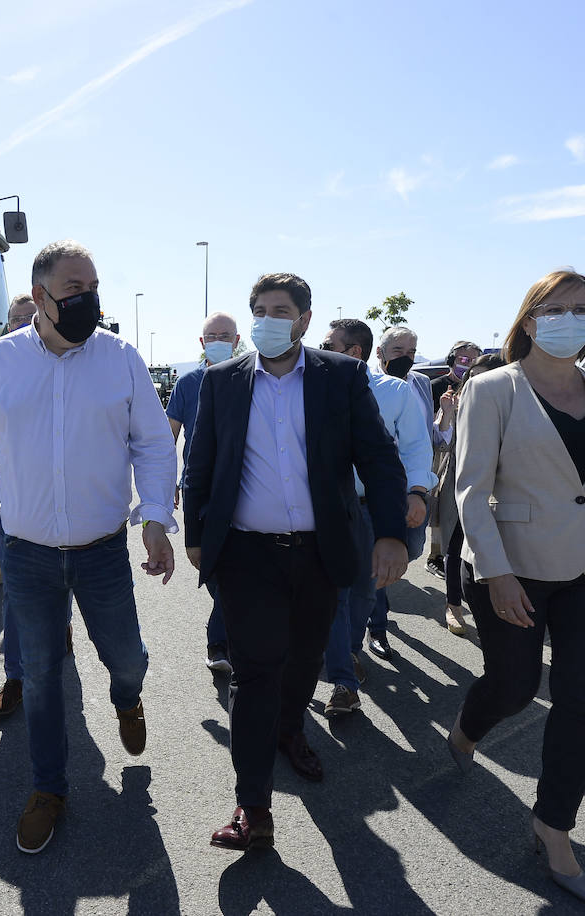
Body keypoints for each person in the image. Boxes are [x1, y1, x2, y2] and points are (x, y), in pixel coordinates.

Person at [0, 241, 177, 855]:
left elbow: (153, 443)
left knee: (126, 656)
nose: (89, 298)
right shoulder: (1, 360)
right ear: (41, 296)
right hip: (28, 553)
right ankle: (50, 788)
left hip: (101, 549)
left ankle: (128, 700)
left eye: (94, 285)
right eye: (75, 287)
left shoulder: (120, 360)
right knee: (42, 676)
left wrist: (155, 517)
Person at [447, 269, 585, 904]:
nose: (570, 318)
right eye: (556, 308)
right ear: (529, 318)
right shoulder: (492, 390)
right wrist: (496, 573)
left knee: (583, 702)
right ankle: (467, 727)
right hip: (515, 569)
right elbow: (471, 491)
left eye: (582, 309)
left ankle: (553, 824)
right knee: (514, 688)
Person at [183, 273, 408, 852]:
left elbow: (379, 460)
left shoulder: (342, 376)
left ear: (304, 319)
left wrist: (391, 535)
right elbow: (201, 462)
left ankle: (288, 733)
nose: (266, 319)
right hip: (247, 555)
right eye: (258, 309)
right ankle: (252, 805)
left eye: (278, 310)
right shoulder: (223, 381)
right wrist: (196, 535)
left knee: (304, 662)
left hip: (318, 553)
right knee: (256, 672)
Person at [320, 318, 434, 715]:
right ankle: (342, 678)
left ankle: (348, 652)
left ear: (353, 352)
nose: (319, 347)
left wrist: (417, 492)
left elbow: (417, 448)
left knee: (364, 592)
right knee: (332, 591)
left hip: (371, 510)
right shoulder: (307, 386)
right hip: (323, 509)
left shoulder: (393, 391)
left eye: (328, 342)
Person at [0, 293, 54, 717]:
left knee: (62, 575)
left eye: (30, 317)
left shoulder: (68, 367)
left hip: (58, 498)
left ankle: (60, 627)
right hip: (9, 497)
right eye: (15, 319)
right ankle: (15, 677)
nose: (22, 325)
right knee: (16, 589)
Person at [356, 326, 442, 661]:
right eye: (398, 351)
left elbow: (425, 437)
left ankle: (376, 606)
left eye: (411, 351)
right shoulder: (363, 385)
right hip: (380, 494)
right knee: (377, 563)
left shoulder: (419, 383)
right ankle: (377, 628)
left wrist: (418, 488)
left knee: (411, 550)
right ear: (380, 352)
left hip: (416, 486)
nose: (405, 357)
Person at [165, 311, 241, 674]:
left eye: (226, 335)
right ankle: (229, 634)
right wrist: (166, 486)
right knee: (212, 567)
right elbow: (169, 438)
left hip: (243, 492)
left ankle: (220, 641)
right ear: (202, 343)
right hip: (200, 491)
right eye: (213, 336)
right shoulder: (188, 383)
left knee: (237, 570)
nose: (220, 341)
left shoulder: (251, 380)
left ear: (238, 341)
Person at [437, 352, 505, 635]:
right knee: (455, 546)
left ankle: (488, 603)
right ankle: (453, 605)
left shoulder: (510, 406)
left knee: (492, 546)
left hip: (500, 489)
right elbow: (441, 441)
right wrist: (448, 414)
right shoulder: (456, 404)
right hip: (458, 481)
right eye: (474, 377)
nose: (479, 384)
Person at [426, 340, 482, 578]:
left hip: (472, 459)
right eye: (463, 360)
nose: (467, 365)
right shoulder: (436, 386)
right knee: (443, 509)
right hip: (442, 455)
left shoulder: (480, 389)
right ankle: (437, 557)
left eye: (472, 361)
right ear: (451, 360)